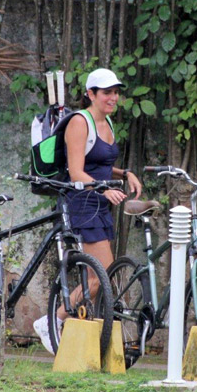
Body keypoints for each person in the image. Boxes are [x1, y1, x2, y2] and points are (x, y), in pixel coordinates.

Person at [33, 68, 142, 354]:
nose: (113, 98)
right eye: (107, 93)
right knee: (101, 275)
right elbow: (76, 171)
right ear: (90, 94)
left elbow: (100, 160)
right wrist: (103, 188)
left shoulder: (106, 122)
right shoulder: (80, 123)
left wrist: (125, 172)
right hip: (83, 203)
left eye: (116, 92)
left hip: (101, 203)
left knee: (102, 274)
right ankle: (52, 320)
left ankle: (75, 325)